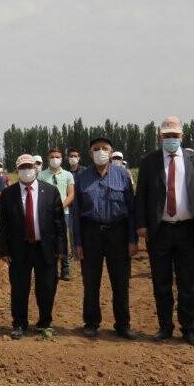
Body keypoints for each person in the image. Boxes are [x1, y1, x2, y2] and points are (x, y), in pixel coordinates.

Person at [135, 116, 194, 345]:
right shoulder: (150, 162)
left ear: (182, 136)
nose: (171, 139)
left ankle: (188, 329)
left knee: (187, 281)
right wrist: (142, 225)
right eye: (167, 135)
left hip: (187, 229)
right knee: (161, 281)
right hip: (160, 231)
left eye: (174, 135)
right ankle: (165, 327)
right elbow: (142, 196)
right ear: (160, 137)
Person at [73, 138, 137, 340]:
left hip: (118, 233)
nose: (100, 151)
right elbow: (75, 213)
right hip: (91, 232)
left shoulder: (123, 175)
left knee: (120, 280)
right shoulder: (82, 178)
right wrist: (77, 242)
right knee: (91, 281)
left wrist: (132, 239)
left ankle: (123, 324)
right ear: (90, 153)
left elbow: (132, 210)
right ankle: (91, 322)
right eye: (96, 149)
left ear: (111, 153)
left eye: (105, 148)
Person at [0, 154, 67, 339]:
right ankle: (19, 324)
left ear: (36, 168)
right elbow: (3, 224)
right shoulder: (8, 194)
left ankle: (45, 323)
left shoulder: (51, 191)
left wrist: (61, 249)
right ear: (17, 170)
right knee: (20, 288)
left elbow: (59, 223)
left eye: (29, 166)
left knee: (46, 288)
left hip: (45, 248)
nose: (26, 170)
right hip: (19, 249)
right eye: (22, 167)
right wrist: (4, 250)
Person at [38, 148, 75, 280]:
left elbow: (71, 194)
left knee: (63, 239)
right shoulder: (41, 175)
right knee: (47, 239)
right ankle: (48, 267)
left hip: (63, 212)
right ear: (48, 159)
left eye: (57, 157)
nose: (55, 159)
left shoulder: (67, 175)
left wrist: (60, 207)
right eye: (52, 157)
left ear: (62, 158)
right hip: (46, 214)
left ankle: (65, 269)